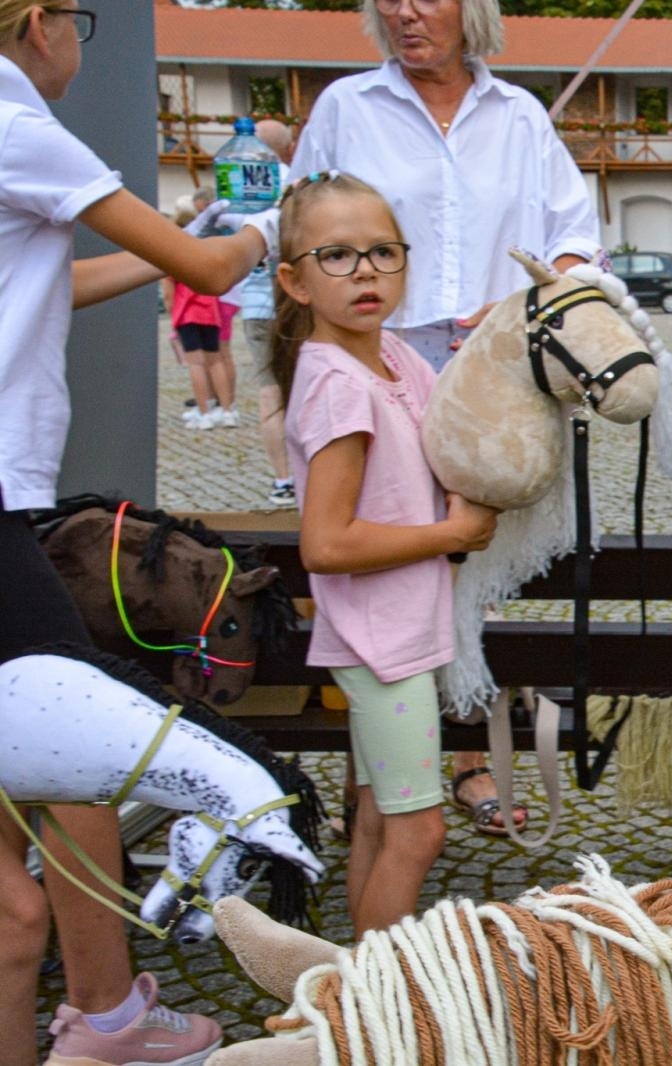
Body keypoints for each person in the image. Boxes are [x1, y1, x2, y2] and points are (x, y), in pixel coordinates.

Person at [0, 3, 275, 1063]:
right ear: (38, 21)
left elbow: (53, 281)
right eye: (79, 20)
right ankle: (110, 1020)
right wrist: (268, 228)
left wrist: (179, 250)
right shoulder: (20, 121)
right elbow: (213, 275)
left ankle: (88, 1015)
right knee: (79, 750)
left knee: (15, 916)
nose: (80, 41)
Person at [290, 0, 603, 832]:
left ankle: (464, 760)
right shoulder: (345, 107)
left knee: (475, 565)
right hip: (371, 362)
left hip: (488, 376)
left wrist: (521, 297)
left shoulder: (522, 116)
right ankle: (386, 777)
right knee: (388, 560)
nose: (402, 10)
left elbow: (577, 238)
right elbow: (298, 231)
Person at [274, 170, 498, 935]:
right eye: (336, 256)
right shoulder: (339, 385)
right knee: (419, 829)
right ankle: (374, 1008)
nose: (365, 270)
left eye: (382, 252)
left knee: (375, 813)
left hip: (398, 629)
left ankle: (349, 993)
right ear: (293, 281)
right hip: (381, 644)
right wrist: (451, 535)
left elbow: (452, 437)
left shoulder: (396, 359)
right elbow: (327, 543)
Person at [222, 117, 297, 506]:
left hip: (256, 303)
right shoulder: (293, 181)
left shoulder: (232, 184)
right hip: (298, 299)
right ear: (288, 150)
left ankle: (283, 479)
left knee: (271, 392)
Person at [168, 190, 239, 430]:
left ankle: (205, 412)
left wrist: (171, 315)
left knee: (196, 364)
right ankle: (228, 410)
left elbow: (169, 289)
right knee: (216, 360)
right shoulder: (208, 246)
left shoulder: (176, 249)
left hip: (187, 312)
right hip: (210, 310)